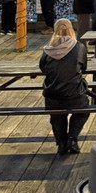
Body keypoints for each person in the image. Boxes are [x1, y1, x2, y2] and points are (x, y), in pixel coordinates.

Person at [39, 18, 90, 154]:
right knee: (83, 111)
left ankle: (61, 142)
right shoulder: (79, 47)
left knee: (56, 115)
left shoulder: (47, 50)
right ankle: (72, 139)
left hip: (53, 95)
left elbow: (43, 68)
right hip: (74, 95)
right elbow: (84, 67)